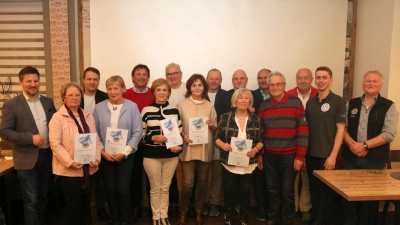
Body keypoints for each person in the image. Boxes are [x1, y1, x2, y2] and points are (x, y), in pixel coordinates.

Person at [0, 66, 56, 225]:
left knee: (43, 198)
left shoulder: (48, 101)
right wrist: (30, 138)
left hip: (47, 157)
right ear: (21, 83)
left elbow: (55, 126)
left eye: (36, 80)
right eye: (29, 81)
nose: (33, 84)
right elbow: (4, 132)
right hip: (26, 159)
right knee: (31, 202)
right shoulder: (11, 104)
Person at [342, 70, 398, 225]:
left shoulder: (388, 106)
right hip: (351, 159)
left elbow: (389, 134)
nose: (371, 84)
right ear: (363, 83)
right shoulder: (350, 104)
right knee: (348, 199)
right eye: (368, 81)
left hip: (374, 161)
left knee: (370, 203)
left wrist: (364, 145)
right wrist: (353, 145)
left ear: (381, 84)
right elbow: (342, 128)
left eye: (374, 81)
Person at [258, 71, 309, 225]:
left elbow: (303, 130)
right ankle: (273, 218)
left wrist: (300, 156)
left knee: (287, 192)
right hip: (269, 155)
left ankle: (287, 220)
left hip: (290, 156)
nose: (275, 87)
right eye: (272, 84)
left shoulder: (295, 102)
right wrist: (260, 154)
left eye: (278, 83)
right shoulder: (264, 105)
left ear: (284, 85)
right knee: (272, 190)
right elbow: (259, 133)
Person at [49, 82, 102, 225]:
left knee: (86, 204)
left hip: (88, 168)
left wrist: (97, 158)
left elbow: (95, 139)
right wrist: (70, 162)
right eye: (70, 95)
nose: (74, 98)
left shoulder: (88, 116)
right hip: (69, 170)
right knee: (73, 204)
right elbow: (55, 144)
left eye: (77, 95)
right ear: (64, 98)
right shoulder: (57, 117)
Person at [93, 75, 143, 225]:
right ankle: (114, 217)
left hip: (126, 155)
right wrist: (102, 151)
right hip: (106, 155)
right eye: (109, 88)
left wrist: (124, 152)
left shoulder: (132, 107)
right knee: (110, 188)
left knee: (122, 188)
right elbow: (94, 132)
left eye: (116, 88)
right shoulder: (99, 107)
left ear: (123, 89)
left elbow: (138, 132)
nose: (113, 91)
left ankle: (125, 217)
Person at [215, 88, 264, 225]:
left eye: (246, 98)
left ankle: (244, 218)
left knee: (245, 192)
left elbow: (261, 140)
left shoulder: (256, 119)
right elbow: (216, 138)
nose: (243, 100)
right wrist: (223, 145)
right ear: (235, 101)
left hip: (249, 163)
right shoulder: (225, 117)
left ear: (250, 101)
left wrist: (255, 149)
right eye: (240, 97)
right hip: (229, 163)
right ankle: (229, 217)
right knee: (229, 192)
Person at [305, 66, 346, 225]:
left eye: (324, 77)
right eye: (318, 77)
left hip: (328, 156)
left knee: (326, 193)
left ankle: (323, 222)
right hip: (311, 154)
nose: (321, 80)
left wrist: (333, 156)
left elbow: (341, 129)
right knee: (313, 190)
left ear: (331, 80)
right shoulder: (310, 103)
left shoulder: (338, 101)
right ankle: (315, 218)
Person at [176, 74, 217, 225]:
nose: (197, 88)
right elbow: (177, 127)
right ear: (189, 88)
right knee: (188, 183)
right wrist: (183, 134)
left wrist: (212, 125)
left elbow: (215, 129)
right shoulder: (181, 105)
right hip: (187, 148)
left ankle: (199, 210)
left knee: (202, 181)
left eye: (200, 85)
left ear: (204, 88)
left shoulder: (209, 106)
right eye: (194, 85)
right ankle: (183, 211)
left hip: (205, 149)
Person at [141, 78, 183, 225]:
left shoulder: (174, 110)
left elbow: (180, 132)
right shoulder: (146, 110)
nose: (161, 92)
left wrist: (180, 146)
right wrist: (153, 137)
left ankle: (163, 216)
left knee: (165, 188)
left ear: (169, 93)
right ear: (153, 92)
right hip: (151, 156)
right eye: (158, 89)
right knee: (155, 188)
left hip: (171, 156)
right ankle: (155, 217)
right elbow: (141, 133)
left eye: (164, 90)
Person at [123, 64, 154, 222]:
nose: (141, 77)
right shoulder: (125, 94)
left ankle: (151, 209)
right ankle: (135, 209)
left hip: (150, 144)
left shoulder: (154, 93)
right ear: (132, 77)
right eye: (138, 74)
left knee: (151, 178)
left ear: (148, 77)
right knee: (133, 179)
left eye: (144, 74)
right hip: (131, 145)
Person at [286, 68, 317, 222]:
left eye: (306, 78)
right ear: (296, 79)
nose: (303, 81)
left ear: (311, 79)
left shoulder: (319, 94)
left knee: (307, 180)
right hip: (292, 144)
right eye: (300, 78)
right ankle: (293, 208)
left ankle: (305, 207)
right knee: (292, 180)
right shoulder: (288, 95)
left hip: (313, 144)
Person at [79, 67, 110, 222]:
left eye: (95, 79)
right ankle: (84, 212)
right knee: (83, 180)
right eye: (89, 79)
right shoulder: (76, 96)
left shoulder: (105, 97)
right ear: (83, 80)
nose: (92, 82)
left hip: (101, 143)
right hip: (81, 145)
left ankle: (100, 209)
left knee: (100, 181)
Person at [202, 69, 226, 217]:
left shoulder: (227, 95)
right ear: (207, 79)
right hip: (202, 142)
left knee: (217, 174)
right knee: (203, 175)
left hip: (220, 141)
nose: (214, 81)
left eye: (217, 79)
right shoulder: (199, 95)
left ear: (221, 80)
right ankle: (203, 202)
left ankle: (214, 203)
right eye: (211, 78)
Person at [165, 62, 185, 216]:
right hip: (168, 138)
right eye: (169, 74)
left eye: (175, 73)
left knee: (188, 176)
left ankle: (187, 205)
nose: (172, 76)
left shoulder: (187, 89)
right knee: (170, 175)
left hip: (187, 137)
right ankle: (173, 204)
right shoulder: (163, 89)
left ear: (181, 74)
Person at [250, 68, 271, 221]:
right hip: (256, 142)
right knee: (258, 178)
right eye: (260, 78)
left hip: (274, 142)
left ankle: (273, 208)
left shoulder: (278, 95)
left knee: (272, 179)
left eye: (266, 77)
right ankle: (261, 207)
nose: (263, 80)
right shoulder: (251, 96)